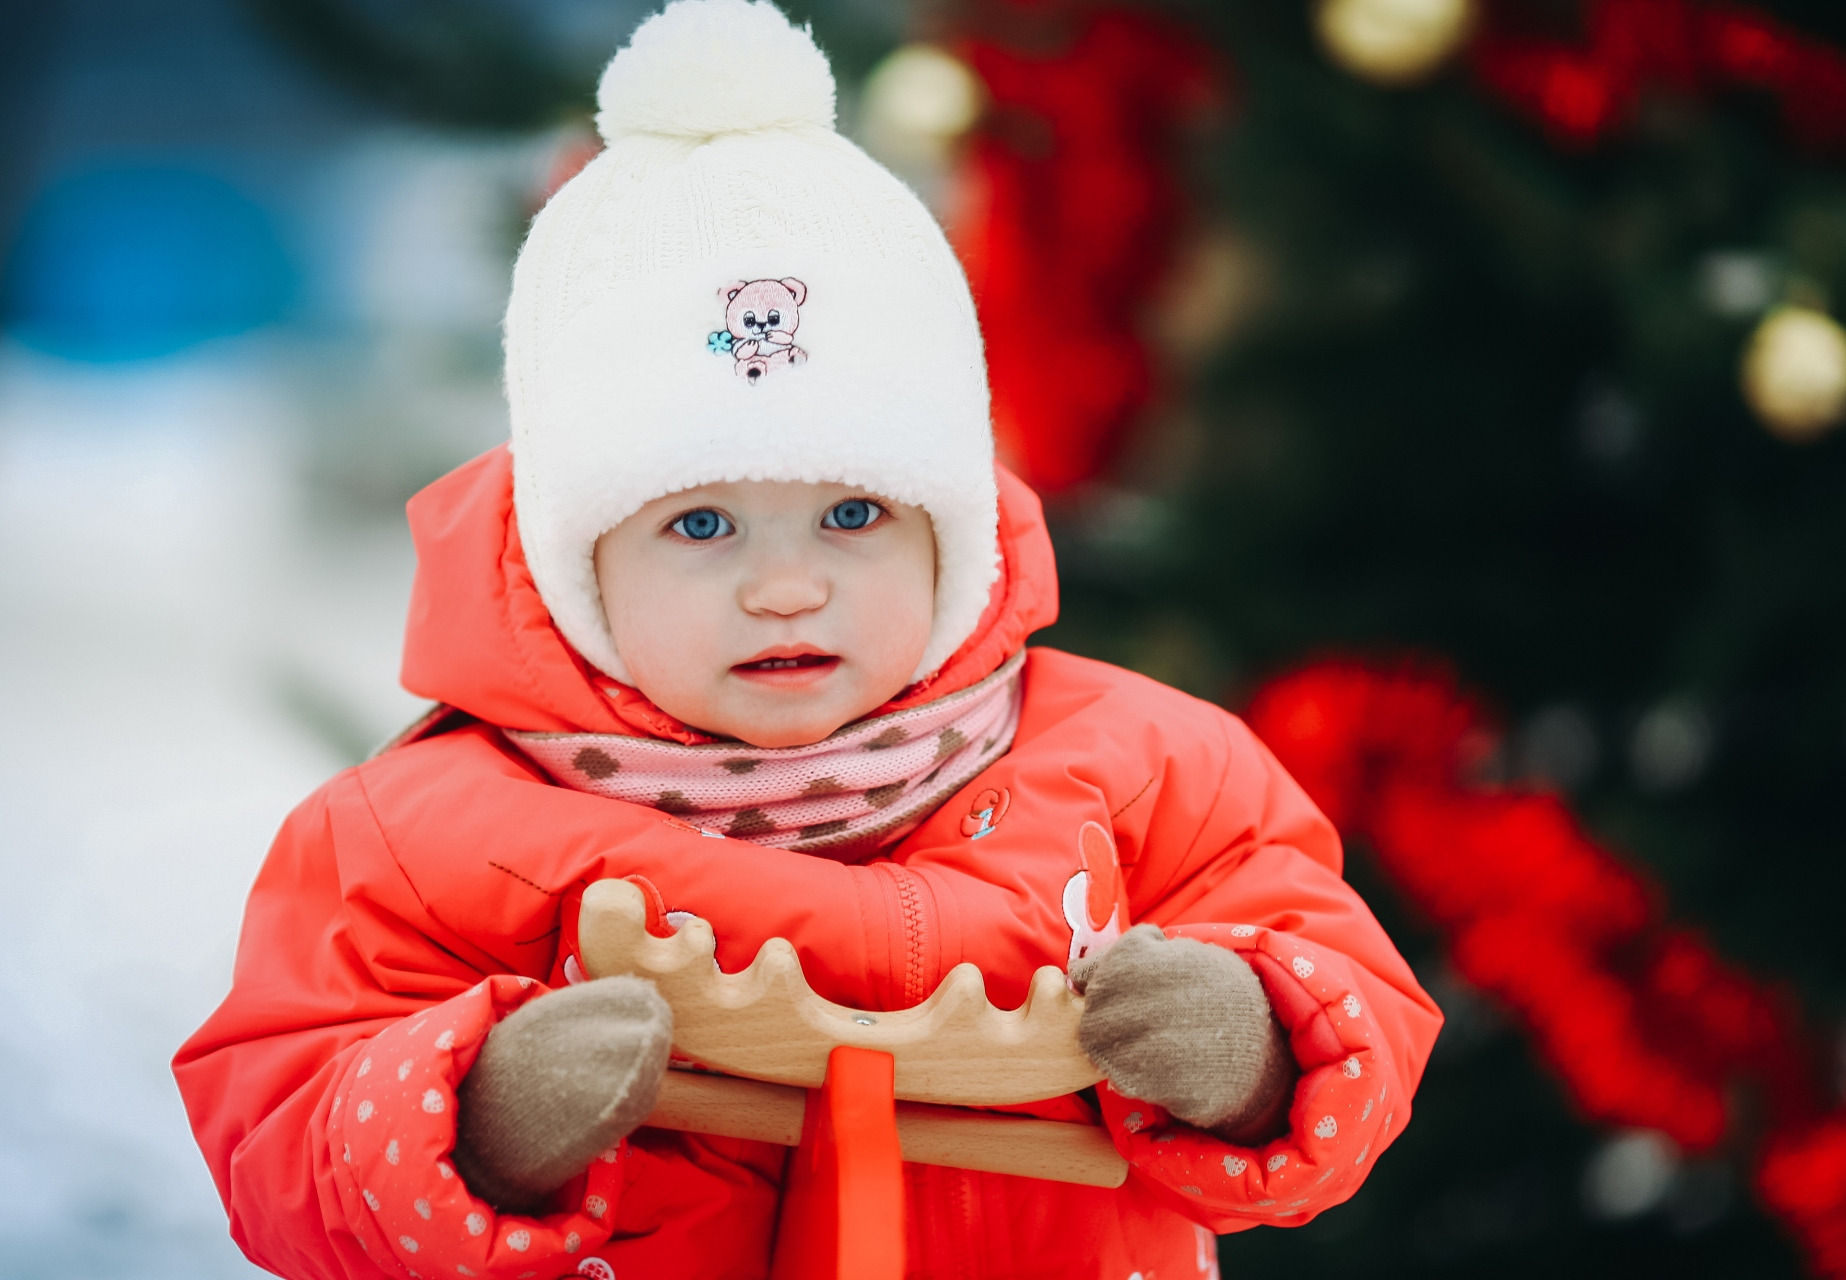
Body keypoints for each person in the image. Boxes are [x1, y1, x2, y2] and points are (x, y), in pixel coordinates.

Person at [173, 3, 1441, 1277]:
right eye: (703, 522)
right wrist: (474, 1117)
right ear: (575, 556)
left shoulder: (1156, 770)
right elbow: (277, 1136)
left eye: (852, 513)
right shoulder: (425, 840)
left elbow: (1355, 999)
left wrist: (1257, 1046)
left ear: (954, 535)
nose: (785, 587)